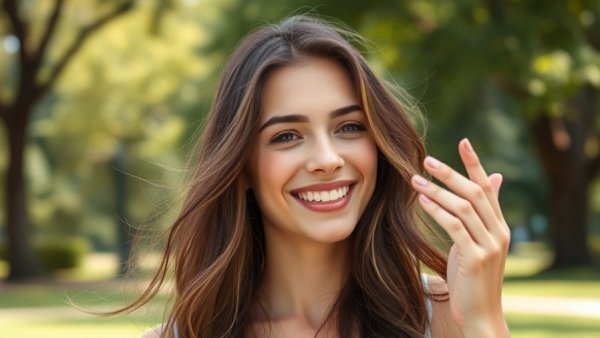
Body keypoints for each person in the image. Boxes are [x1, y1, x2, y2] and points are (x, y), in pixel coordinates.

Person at [132, 15, 510, 337]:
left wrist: (483, 320)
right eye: (286, 136)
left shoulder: (445, 319)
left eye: (349, 127)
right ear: (240, 167)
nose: (327, 160)